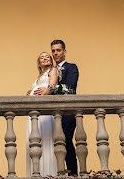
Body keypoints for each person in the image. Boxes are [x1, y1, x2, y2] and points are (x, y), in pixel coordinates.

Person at [27, 51, 59, 177]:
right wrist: (31, 92)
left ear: (50, 60)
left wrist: (45, 92)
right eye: (42, 57)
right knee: (35, 140)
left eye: (47, 57)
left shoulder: (53, 70)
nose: (45, 58)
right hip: (35, 112)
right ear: (39, 62)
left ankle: (48, 172)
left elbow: (52, 87)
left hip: (44, 110)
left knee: (45, 139)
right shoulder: (39, 76)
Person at [51, 39, 79, 175]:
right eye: (53, 51)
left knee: (67, 142)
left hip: (68, 112)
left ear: (64, 51)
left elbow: (70, 88)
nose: (55, 53)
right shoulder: (50, 71)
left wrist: (50, 89)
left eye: (58, 50)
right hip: (52, 114)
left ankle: (73, 173)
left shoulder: (71, 67)